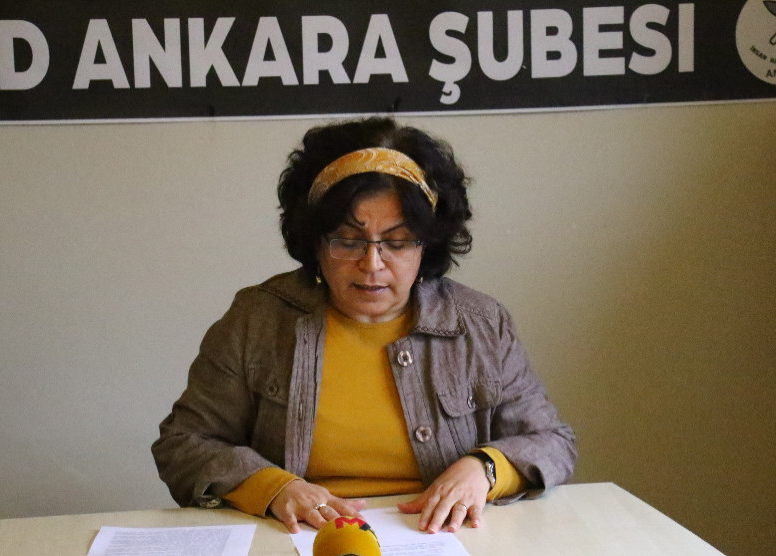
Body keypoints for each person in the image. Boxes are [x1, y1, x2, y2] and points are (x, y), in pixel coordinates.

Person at [152, 117, 577, 535]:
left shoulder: (480, 324)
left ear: (426, 245)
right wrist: (274, 488)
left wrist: (484, 469)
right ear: (316, 242)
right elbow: (183, 443)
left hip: (439, 537)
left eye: (397, 242)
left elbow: (552, 441)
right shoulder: (257, 319)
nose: (372, 264)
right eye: (348, 241)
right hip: (297, 536)